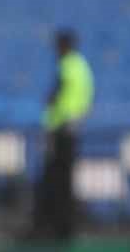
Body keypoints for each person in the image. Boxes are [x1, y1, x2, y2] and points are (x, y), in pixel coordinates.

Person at [37, 29, 94, 239]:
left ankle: (56, 227)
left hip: (62, 129)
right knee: (64, 180)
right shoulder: (82, 66)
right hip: (72, 127)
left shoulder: (68, 65)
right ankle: (63, 226)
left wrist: (50, 105)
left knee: (57, 180)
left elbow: (57, 94)